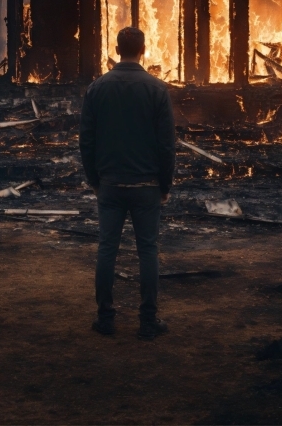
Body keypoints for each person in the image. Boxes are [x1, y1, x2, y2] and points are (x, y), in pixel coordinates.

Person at [79, 26, 176, 340]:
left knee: (107, 249)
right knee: (148, 251)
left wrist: (94, 180)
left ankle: (105, 318)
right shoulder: (157, 90)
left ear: (117, 50)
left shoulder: (97, 89)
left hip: (110, 184)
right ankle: (148, 321)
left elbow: (86, 141)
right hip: (146, 185)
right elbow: (166, 145)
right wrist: (165, 185)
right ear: (143, 50)